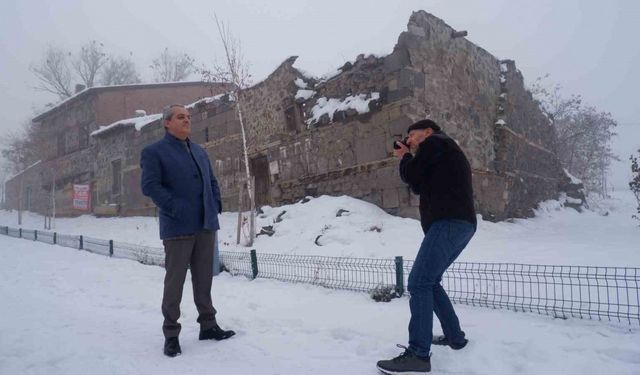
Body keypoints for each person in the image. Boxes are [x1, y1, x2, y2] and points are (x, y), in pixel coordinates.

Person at [377, 119, 477, 374]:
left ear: (428, 132)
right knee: (430, 282)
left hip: (448, 222)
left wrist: (405, 156)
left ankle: (419, 355)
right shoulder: (441, 152)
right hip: (460, 224)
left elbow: (412, 175)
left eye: (412, 135)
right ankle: (455, 338)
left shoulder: (434, 142)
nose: (409, 139)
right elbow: (418, 185)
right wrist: (408, 157)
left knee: (419, 282)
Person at [140, 104, 235, 358]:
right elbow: (149, 186)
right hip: (177, 225)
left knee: (204, 279)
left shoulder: (200, 152)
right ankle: (171, 334)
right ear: (167, 123)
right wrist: (175, 207)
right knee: (175, 283)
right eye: (180, 117)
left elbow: (211, 181)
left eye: (188, 117)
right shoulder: (154, 152)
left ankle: (208, 325)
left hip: (205, 224)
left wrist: (215, 204)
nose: (186, 120)